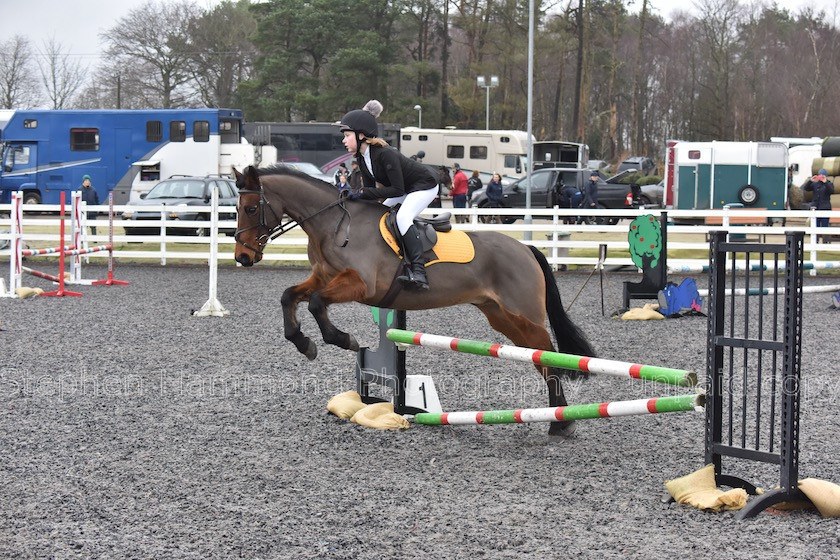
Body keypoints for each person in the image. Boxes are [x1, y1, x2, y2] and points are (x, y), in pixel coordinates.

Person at [339, 100, 438, 290]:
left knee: (402, 217)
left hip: (424, 185)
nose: (344, 140)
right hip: (405, 188)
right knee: (379, 214)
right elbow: (370, 194)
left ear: (361, 135)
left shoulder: (385, 154)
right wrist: (354, 196)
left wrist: (362, 193)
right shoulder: (362, 157)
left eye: (347, 135)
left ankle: (419, 271)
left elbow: (397, 190)